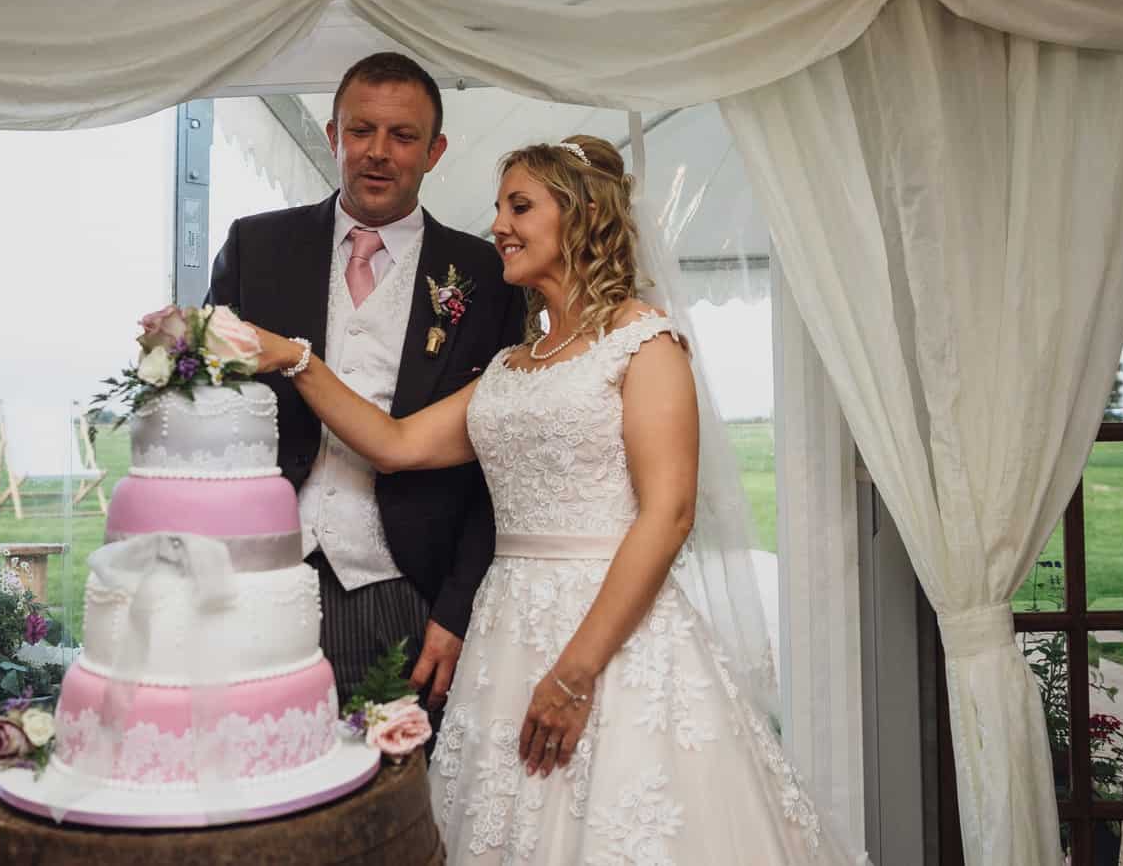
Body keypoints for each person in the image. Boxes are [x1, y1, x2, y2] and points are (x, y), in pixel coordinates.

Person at [246, 136, 854, 863]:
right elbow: (395, 443)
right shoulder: (510, 366)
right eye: (500, 207)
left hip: (610, 636)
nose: (498, 224)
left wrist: (575, 672)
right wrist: (296, 359)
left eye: (520, 206)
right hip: (506, 634)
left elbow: (668, 515)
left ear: (582, 214)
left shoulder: (644, 343)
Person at [207, 51, 526, 710]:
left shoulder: (488, 277)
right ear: (333, 136)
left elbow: (502, 466)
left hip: (406, 593)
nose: (378, 152)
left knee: (398, 776)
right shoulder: (255, 248)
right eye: (360, 130)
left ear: (434, 151)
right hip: (258, 584)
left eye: (403, 136)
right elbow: (206, 414)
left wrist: (457, 608)